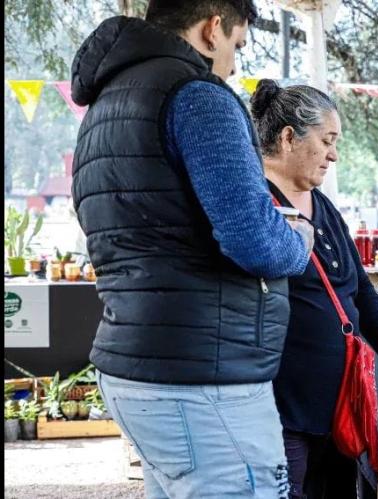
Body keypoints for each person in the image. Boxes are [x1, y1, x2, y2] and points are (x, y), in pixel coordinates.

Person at [70, 1, 314, 496]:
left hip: (137, 367)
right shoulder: (198, 95)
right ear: (212, 28)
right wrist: (300, 240)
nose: (233, 63)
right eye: (237, 46)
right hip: (204, 382)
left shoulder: (103, 107)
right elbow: (257, 242)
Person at [249, 79, 378, 499]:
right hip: (282, 407)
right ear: (287, 138)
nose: (333, 154)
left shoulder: (324, 207)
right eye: (327, 141)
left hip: (338, 407)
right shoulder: (252, 204)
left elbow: (358, 291)